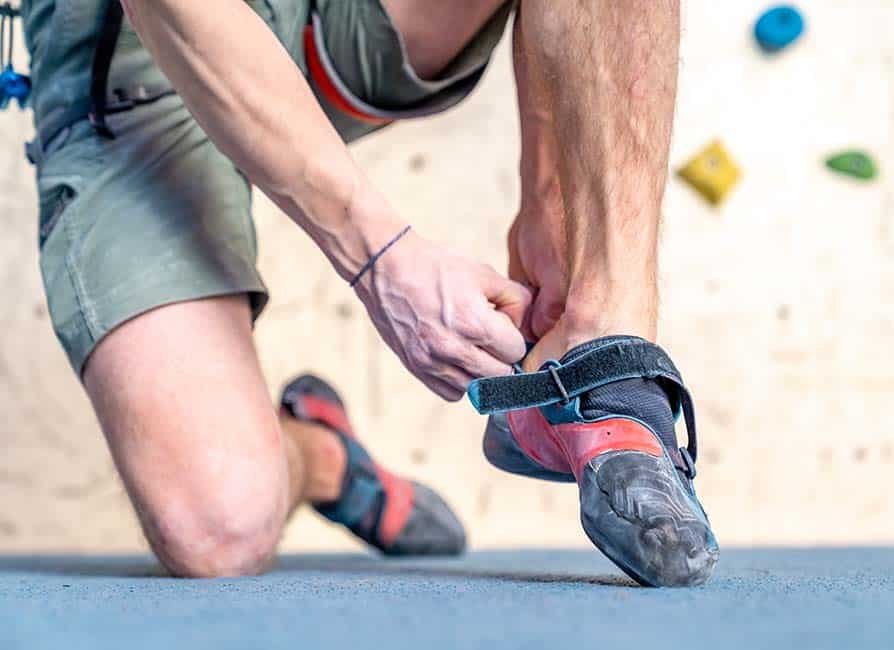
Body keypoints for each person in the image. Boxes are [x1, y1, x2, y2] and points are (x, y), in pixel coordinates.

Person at [25, 0, 717, 586]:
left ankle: (609, 371)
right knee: (217, 529)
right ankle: (323, 457)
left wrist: (550, 196)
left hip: (328, 16)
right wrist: (381, 259)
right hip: (135, 60)